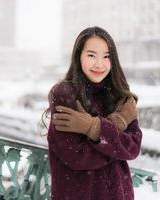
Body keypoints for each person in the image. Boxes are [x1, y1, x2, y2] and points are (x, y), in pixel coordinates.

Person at [46, 26, 142, 200]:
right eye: (91, 55)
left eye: (106, 56)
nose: (99, 64)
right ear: (78, 56)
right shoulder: (64, 94)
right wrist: (117, 124)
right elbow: (77, 157)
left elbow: (133, 147)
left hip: (120, 194)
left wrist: (94, 128)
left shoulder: (121, 95)